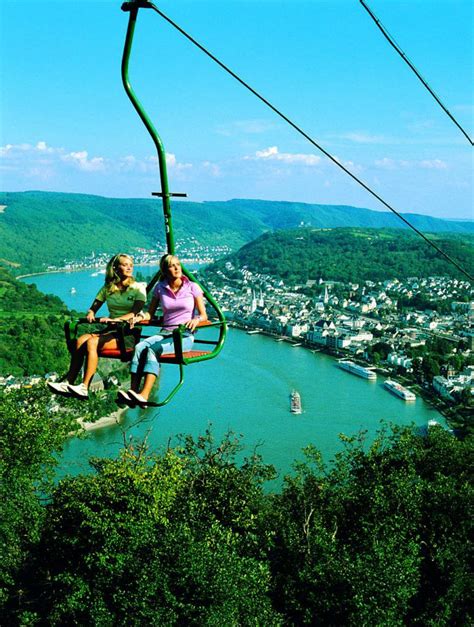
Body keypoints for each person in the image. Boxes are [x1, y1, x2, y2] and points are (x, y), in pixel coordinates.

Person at [48, 253, 146, 400]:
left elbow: (134, 312)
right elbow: (94, 306)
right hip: (111, 330)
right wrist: (91, 312)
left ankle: (84, 387)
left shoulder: (138, 288)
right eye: (125, 264)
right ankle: (68, 382)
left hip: (128, 334)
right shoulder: (108, 288)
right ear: (115, 268)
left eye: (131, 265)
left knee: (92, 342)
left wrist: (116, 319)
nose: (129, 267)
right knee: (81, 340)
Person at [116, 253, 207, 407]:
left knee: (153, 350)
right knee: (139, 347)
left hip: (183, 336)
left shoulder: (192, 287)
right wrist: (139, 317)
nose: (177, 268)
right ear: (165, 270)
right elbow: (150, 313)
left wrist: (196, 319)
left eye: (178, 264)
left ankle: (144, 395)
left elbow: (203, 315)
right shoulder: (160, 288)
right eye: (172, 266)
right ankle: (133, 392)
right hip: (165, 333)